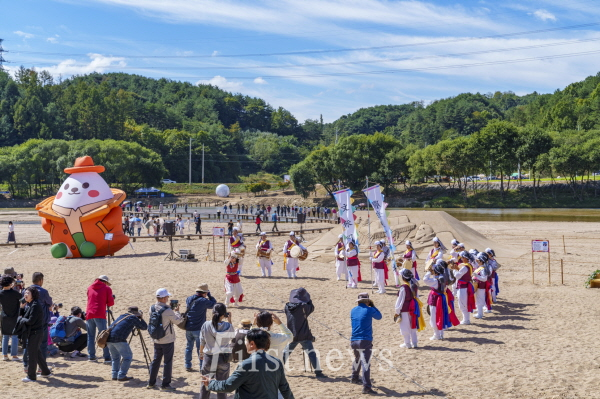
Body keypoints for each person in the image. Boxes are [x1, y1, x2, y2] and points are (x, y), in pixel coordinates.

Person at [202, 328, 294, 399]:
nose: (245, 344)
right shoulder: (276, 362)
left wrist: (211, 383)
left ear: (252, 344)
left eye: (246, 341)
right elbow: (285, 389)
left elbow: (229, 386)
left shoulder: (246, 364)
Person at [283, 288, 325, 378]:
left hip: (291, 334)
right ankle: (318, 372)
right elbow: (312, 308)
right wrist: (308, 300)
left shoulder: (287, 306)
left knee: (285, 353)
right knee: (311, 354)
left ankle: (277, 369)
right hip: (303, 335)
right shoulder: (304, 307)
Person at [147, 288, 182, 391]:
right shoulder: (167, 310)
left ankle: (151, 383)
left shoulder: (152, 308)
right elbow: (178, 321)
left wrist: (169, 309)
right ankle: (165, 384)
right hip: (167, 339)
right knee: (167, 362)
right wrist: (177, 312)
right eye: (167, 297)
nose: (168, 298)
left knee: (156, 361)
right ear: (162, 298)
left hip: (156, 338)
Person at [199, 303, 234, 399]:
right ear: (224, 314)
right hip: (223, 357)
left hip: (209, 356)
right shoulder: (228, 326)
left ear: (212, 312)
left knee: (205, 384)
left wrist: (201, 353)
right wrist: (230, 320)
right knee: (222, 385)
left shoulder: (206, 325)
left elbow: (202, 341)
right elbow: (232, 337)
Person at [350, 292, 381, 395]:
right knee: (365, 364)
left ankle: (354, 377)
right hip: (365, 340)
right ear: (368, 301)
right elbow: (379, 316)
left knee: (357, 359)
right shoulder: (370, 309)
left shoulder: (353, 310)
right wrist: (373, 306)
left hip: (354, 340)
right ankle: (367, 387)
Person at [18, 287, 52, 382]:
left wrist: (21, 320)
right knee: (37, 353)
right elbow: (24, 316)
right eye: (25, 293)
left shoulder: (36, 305)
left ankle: (31, 376)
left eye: (28, 293)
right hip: (33, 333)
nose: (25, 294)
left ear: (33, 294)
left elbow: (30, 321)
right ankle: (46, 372)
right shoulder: (30, 304)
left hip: (36, 333)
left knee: (32, 355)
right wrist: (21, 308)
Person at [107, 306, 148, 381]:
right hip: (119, 339)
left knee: (115, 357)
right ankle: (122, 375)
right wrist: (141, 318)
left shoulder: (122, 316)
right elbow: (144, 327)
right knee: (128, 357)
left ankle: (114, 375)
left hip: (108, 338)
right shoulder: (133, 318)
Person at [184, 283, 217, 372]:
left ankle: (187, 365)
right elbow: (214, 305)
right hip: (198, 328)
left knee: (188, 347)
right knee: (200, 349)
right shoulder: (203, 301)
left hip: (188, 327)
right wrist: (210, 296)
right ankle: (201, 366)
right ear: (205, 292)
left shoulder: (189, 298)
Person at [24, 272, 53, 369]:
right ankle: (42, 367)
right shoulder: (43, 292)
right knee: (43, 345)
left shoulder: (26, 290)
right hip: (42, 322)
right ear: (40, 280)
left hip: (29, 320)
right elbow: (49, 303)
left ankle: (27, 366)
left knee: (29, 344)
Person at [86, 275, 114, 362]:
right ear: (105, 282)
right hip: (100, 314)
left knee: (90, 336)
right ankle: (107, 357)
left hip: (89, 313)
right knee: (104, 336)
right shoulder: (106, 288)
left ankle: (91, 356)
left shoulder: (90, 287)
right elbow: (110, 303)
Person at [394, 269, 423, 349]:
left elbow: (400, 300)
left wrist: (397, 310)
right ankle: (414, 342)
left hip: (405, 309)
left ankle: (407, 343)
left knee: (404, 326)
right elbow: (416, 297)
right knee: (412, 325)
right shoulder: (414, 285)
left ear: (403, 278)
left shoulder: (404, 287)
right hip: (413, 308)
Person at [423, 264, 453, 340]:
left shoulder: (435, 281)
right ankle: (441, 334)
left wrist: (429, 272)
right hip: (442, 298)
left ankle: (437, 335)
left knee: (434, 317)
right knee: (441, 315)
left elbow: (425, 279)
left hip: (435, 299)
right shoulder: (444, 278)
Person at [0, 276, 21, 360]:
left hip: (4, 316)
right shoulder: (15, 293)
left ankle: (5, 355)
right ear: (10, 283)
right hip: (14, 316)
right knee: (14, 336)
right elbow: (23, 299)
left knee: (5, 336)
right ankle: (14, 355)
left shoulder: (0, 293)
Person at [452, 251, 476, 325]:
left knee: (462, 304)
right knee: (464, 303)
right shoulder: (468, 265)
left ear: (465, 258)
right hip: (464, 287)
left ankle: (466, 320)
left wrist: (454, 269)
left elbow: (457, 276)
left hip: (463, 288)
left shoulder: (465, 267)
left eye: (462, 257)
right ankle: (466, 319)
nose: (461, 258)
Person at [473, 253, 492, 319]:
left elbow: (484, 278)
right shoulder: (481, 268)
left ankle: (480, 314)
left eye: (478, 261)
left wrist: (476, 276)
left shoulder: (483, 269)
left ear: (481, 261)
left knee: (480, 300)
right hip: (478, 286)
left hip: (481, 287)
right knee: (478, 300)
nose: (477, 261)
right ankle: (479, 313)